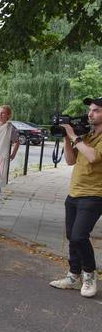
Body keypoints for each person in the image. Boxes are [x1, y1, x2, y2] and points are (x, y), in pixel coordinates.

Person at [49, 96, 102, 298]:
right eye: (90, 110)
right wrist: (66, 136)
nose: (90, 113)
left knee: (80, 236)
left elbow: (93, 157)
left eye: (96, 110)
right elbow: (71, 161)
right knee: (72, 237)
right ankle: (73, 275)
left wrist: (74, 136)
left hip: (94, 195)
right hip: (74, 193)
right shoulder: (87, 135)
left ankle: (89, 275)